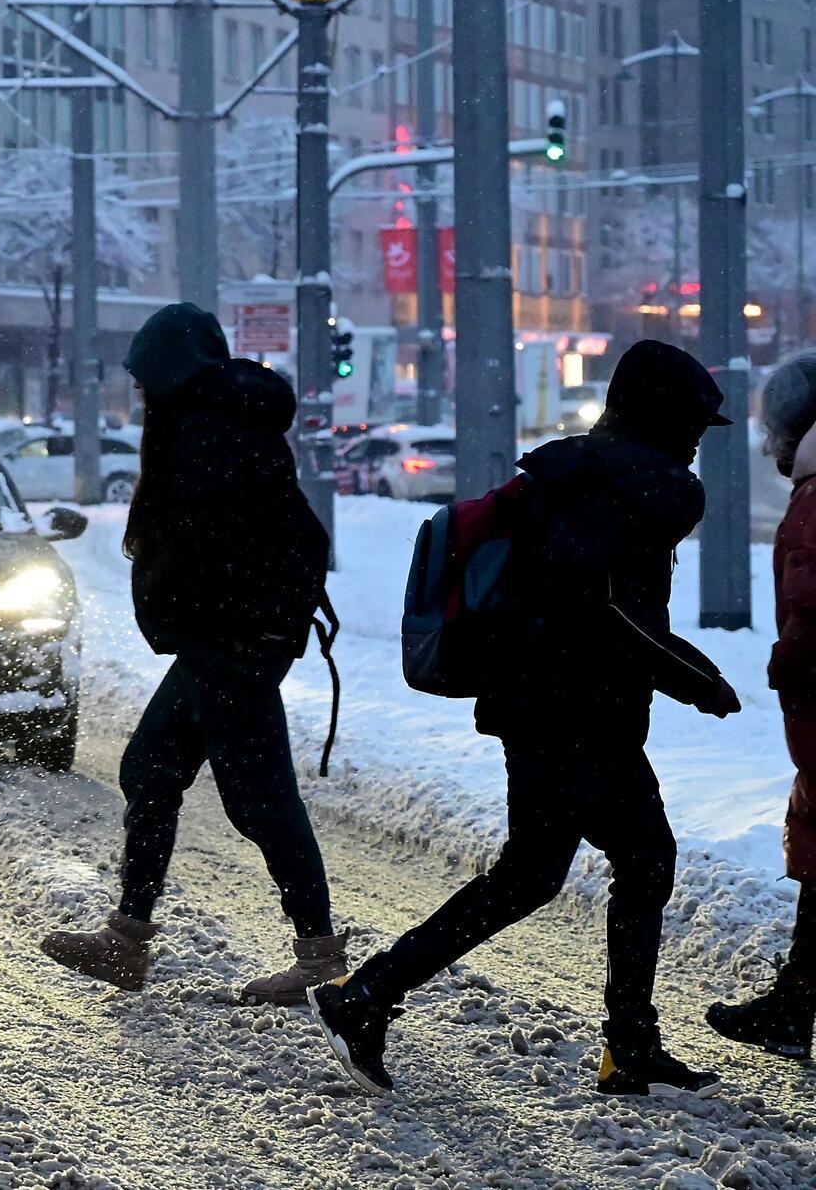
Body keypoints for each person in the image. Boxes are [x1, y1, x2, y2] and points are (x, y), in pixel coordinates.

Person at [313, 339, 741, 1099]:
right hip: (567, 712)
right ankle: (366, 998)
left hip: (562, 707)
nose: (698, 445)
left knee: (609, 864)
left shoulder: (581, 473)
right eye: (696, 428)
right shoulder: (618, 488)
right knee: (556, 873)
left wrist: (670, 669)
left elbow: (594, 602)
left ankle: (627, 1045)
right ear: (666, 418)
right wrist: (691, 676)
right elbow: (602, 604)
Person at [38, 302, 342, 1006]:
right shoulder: (210, 423)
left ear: (172, 373)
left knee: (260, 800)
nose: (139, 394)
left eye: (146, 380)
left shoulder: (211, 432)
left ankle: (322, 960)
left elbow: (229, 545)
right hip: (223, 643)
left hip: (232, 646)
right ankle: (126, 942)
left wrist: (221, 621)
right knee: (150, 768)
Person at [707, 350, 816, 1058]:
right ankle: (792, 1006)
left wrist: (790, 664)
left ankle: (792, 1006)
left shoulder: (813, 504)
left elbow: (809, 604)